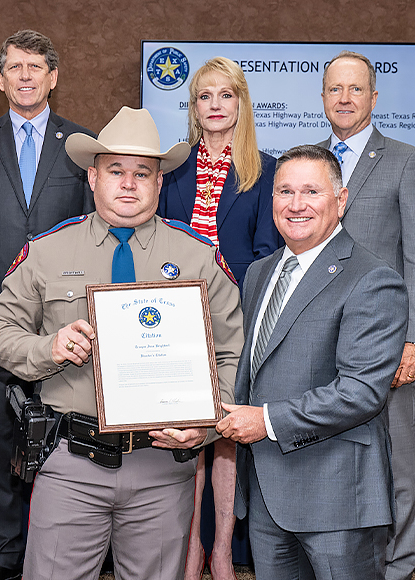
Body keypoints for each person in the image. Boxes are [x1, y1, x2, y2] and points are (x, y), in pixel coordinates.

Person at [0, 106, 244, 580]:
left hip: (162, 466)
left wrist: (207, 426)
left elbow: (232, 355)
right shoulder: (48, 250)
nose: (128, 184)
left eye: (142, 173)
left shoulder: (199, 257)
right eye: (115, 170)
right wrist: (48, 348)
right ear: (92, 177)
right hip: (72, 463)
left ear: (160, 182)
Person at [218, 144, 408, 580]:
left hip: (336, 494)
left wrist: (266, 421)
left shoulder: (373, 278)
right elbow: (250, 371)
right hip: (266, 489)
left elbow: (360, 392)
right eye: (285, 191)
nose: (296, 204)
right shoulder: (259, 273)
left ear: (341, 200)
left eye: (311, 192)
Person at [0, 29, 94, 580]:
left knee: (64, 443)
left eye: (35, 66)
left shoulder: (81, 144)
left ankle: (60, 557)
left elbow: (92, 232)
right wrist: (3, 306)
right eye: (15, 67)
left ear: (53, 77)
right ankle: (3, 559)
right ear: (1, 79)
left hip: (66, 328)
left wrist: (54, 312)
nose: (25, 75)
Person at [317, 50, 415, 580]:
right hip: (319, 338)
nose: (344, 98)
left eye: (355, 89)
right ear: (322, 98)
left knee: (398, 463)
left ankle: (398, 566)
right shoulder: (307, 163)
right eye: (335, 89)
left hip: (385, 341)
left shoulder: (408, 161)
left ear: (373, 97)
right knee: (329, 456)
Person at [158, 56, 282, 580]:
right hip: (177, 316)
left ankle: (224, 550)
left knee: (227, 431)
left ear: (241, 103)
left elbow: (268, 251)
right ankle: (190, 549)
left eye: (225, 95)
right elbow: (159, 240)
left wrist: (228, 298)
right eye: (204, 96)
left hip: (237, 316)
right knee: (188, 434)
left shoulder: (266, 169)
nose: (215, 105)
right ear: (193, 107)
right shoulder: (173, 166)